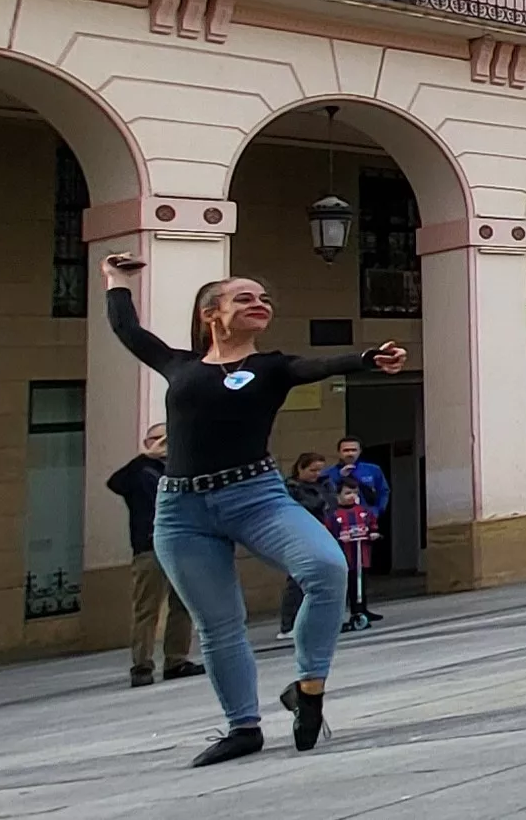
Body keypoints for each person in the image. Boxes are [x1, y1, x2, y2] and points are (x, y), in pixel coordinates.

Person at [100, 255, 405, 765]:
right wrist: (118, 280)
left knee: (326, 569)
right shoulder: (181, 366)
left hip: (256, 498)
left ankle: (308, 687)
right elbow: (128, 330)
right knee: (219, 625)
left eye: (264, 299)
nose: (259, 304)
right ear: (210, 314)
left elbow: (319, 366)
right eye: (244, 297)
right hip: (182, 511)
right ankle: (243, 727)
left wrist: (369, 357)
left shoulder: (272, 367)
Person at [105, 423, 202, 689]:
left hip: (183, 545)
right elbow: (116, 483)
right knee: (146, 609)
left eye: (166, 439)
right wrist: (145, 457)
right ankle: (142, 664)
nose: (162, 445)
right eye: (156, 439)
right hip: (149, 548)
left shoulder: (183, 470)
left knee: (183, 605)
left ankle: (176, 659)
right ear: (147, 443)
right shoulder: (140, 471)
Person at [275, 454, 335, 641]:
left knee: (323, 577)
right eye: (312, 470)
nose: (316, 474)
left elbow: (332, 503)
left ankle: (317, 623)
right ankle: (288, 624)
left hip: (321, 532)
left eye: (319, 470)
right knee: (296, 581)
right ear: (300, 469)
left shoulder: (325, 484)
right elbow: (304, 506)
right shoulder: (291, 488)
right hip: (299, 534)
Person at [327, 485, 379, 633]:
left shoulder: (363, 512)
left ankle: (360, 612)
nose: (351, 496)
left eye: (354, 493)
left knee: (359, 585)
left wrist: (373, 533)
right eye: (347, 493)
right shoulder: (333, 514)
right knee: (343, 588)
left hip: (360, 557)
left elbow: (372, 525)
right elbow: (328, 531)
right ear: (338, 495)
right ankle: (338, 618)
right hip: (343, 557)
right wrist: (339, 537)